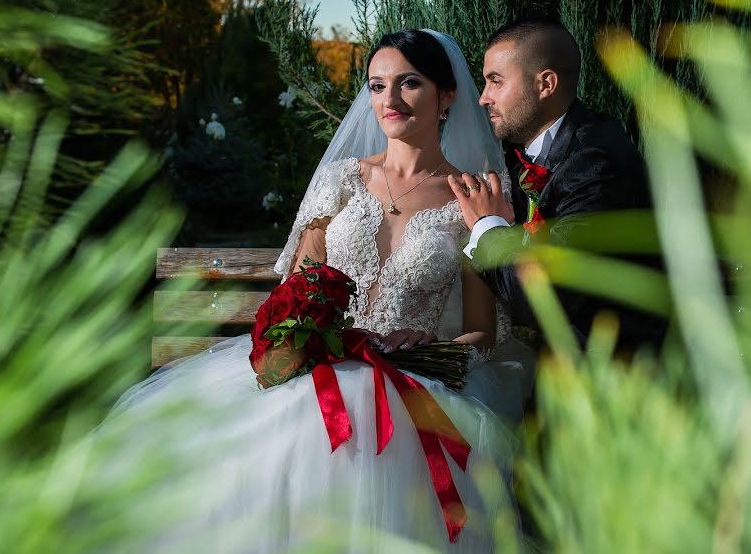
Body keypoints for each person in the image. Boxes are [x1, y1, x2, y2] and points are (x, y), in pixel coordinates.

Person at [102, 29, 527, 553]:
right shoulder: (340, 179)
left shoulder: (473, 192)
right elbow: (295, 292)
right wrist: (301, 338)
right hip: (317, 367)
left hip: (412, 379)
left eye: (409, 83)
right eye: (376, 86)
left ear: (447, 96)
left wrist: (432, 348)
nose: (388, 100)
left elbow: (483, 333)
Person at [449, 17, 667, 353]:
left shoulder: (596, 162)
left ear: (545, 84)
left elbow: (545, 300)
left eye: (496, 82)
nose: (483, 98)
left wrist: (487, 225)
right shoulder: (518, 158)